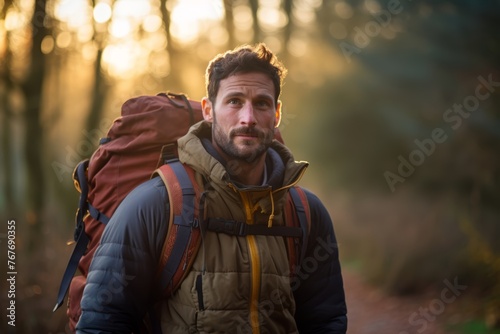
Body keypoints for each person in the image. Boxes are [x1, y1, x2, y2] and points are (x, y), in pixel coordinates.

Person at [76, 43, 347, 333]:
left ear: (277, 113)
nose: (248, 118)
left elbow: (325, 322)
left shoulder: (305, 213)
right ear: (208, 110)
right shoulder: (156, 205)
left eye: (262, 103)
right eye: (234, 101)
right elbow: (102, 323)